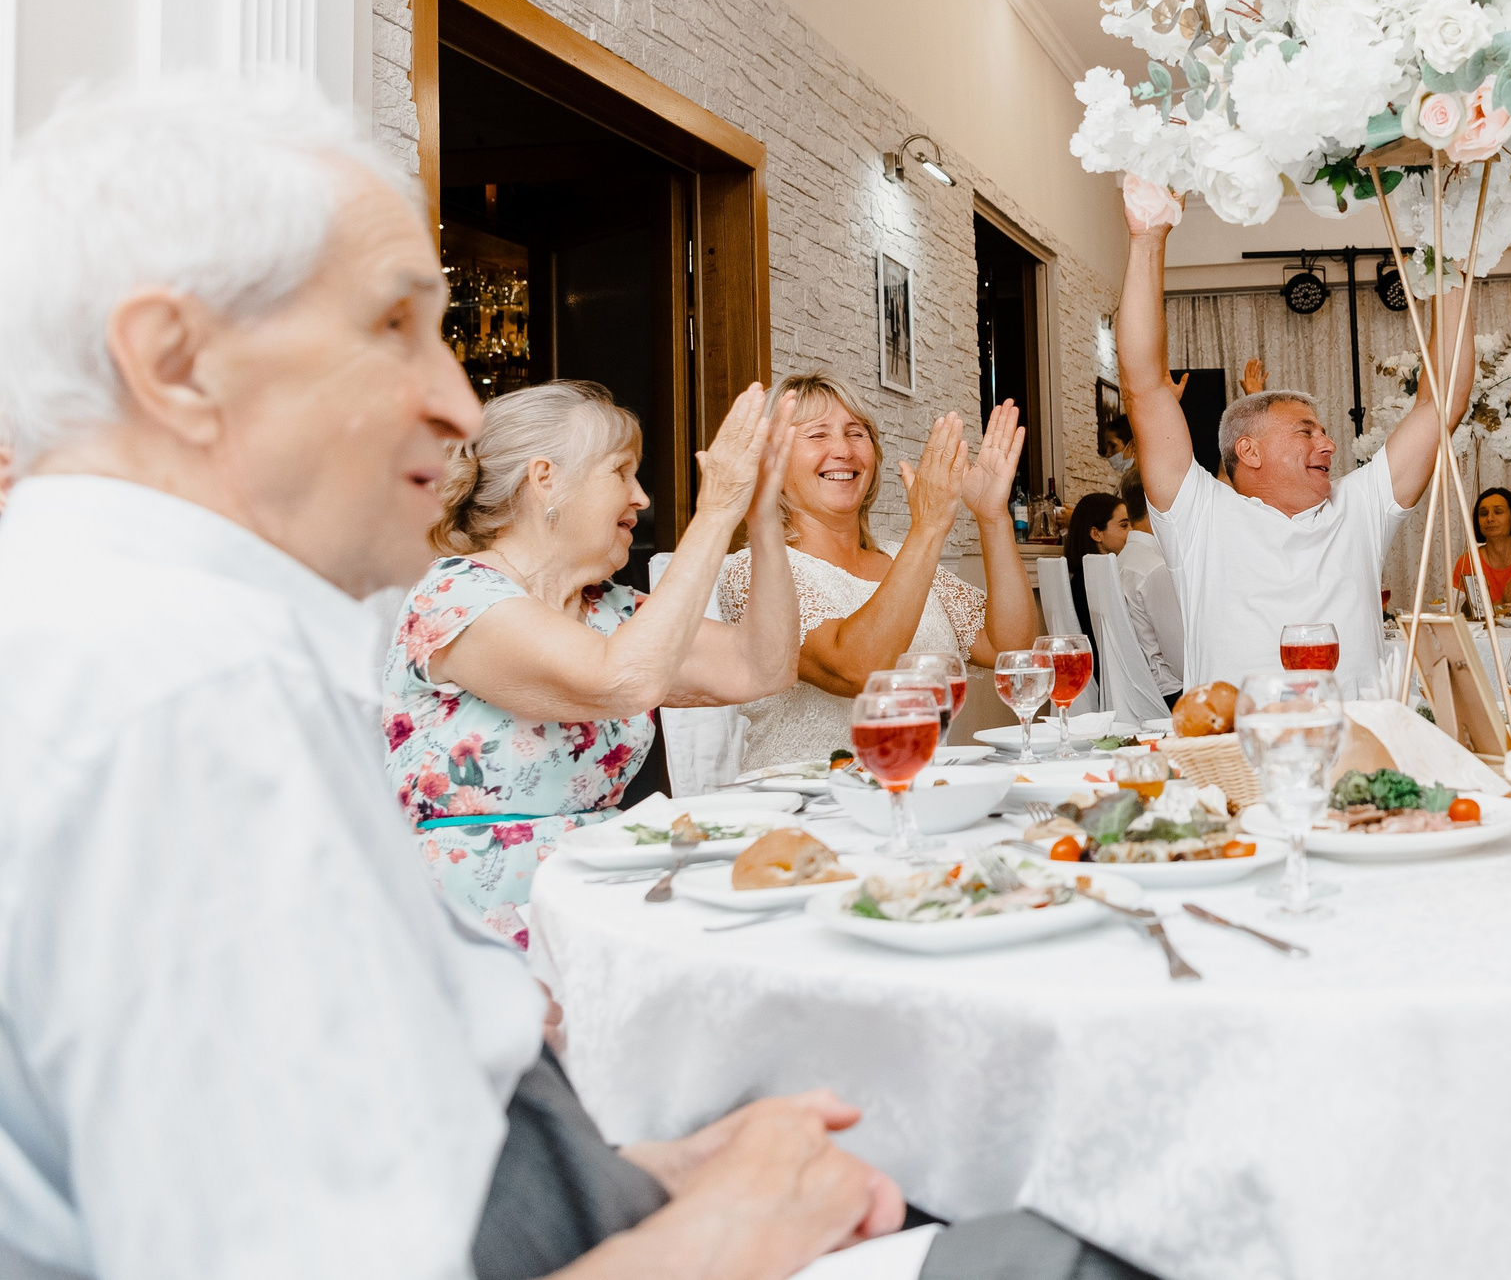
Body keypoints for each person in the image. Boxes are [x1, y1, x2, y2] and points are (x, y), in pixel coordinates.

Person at [0, 77, 1156, 1280]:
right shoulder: (170, 697)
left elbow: (406, 1154)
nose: (457, 402)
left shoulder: (178, 637)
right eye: (393, 326)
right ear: (175, 361)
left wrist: (672, 1168)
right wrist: (724, 1229)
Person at [383, 379, 799, 947]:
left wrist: (762, 519)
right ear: (544, 478)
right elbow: (622, 680)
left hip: (599, 902)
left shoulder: (612, 609)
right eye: (621, 472)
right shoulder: (457, 596)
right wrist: (714, 512)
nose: (641, 498)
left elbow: (762, 668)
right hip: (477, 927)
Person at [1118, 182, 1471, 690]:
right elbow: (1145, 387)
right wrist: (1148, 238)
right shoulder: (1202, 516)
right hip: (1236, 755)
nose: (1327, 445)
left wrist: (1451, 256)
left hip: (1358, 753)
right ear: (1249, 450)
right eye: (1306, 432)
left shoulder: (1359, 508)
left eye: (1323, 432)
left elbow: (1442, 402)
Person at [716, 372, 1034, 769]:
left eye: (856, 433)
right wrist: (929, 526)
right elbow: (857, 670)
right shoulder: (753, 570)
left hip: (921, 794)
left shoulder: (903, 559)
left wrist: (993, 518)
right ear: (771, 461)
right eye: (817, 435)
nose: (843, 451)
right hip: (811, 805)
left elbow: (1013, 649)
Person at [1114, 464, 1186, 704]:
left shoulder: (1122, 560)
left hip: (1136, 691)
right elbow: (1182, 662)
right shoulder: (1155, 569)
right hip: (1171, 695)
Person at [1062, 490, 1129, 638]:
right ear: (1096, 534)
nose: (1132, 532)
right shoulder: (1095, 583)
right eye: (1124, 525)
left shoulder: (1083, 577)